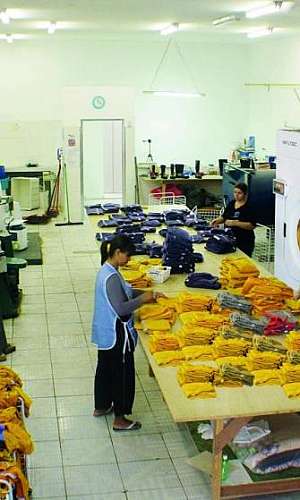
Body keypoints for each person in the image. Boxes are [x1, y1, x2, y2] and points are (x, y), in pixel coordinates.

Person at [91, 234, 161, 431]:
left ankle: (102, 406)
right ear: (117, 253)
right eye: (127, 255)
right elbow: (122, 308)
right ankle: (120, 419)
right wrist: (143, 300)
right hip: (116, 335)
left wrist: (150, 294)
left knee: (105, 370)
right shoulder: (111, 277)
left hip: (105, 332)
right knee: (122, 375)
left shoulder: (108, 270)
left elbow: (126, 291)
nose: (129, 259)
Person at [211, 182, 256, 256]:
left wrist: (235, 223)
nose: (236, 195)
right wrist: (217, 221)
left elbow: (252, 225)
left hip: (244, 241)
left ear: (245, 194)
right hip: (229, 238)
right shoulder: (232, 203)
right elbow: (225, 217)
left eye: (239, 193)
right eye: (235, 192)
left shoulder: (250, 207)